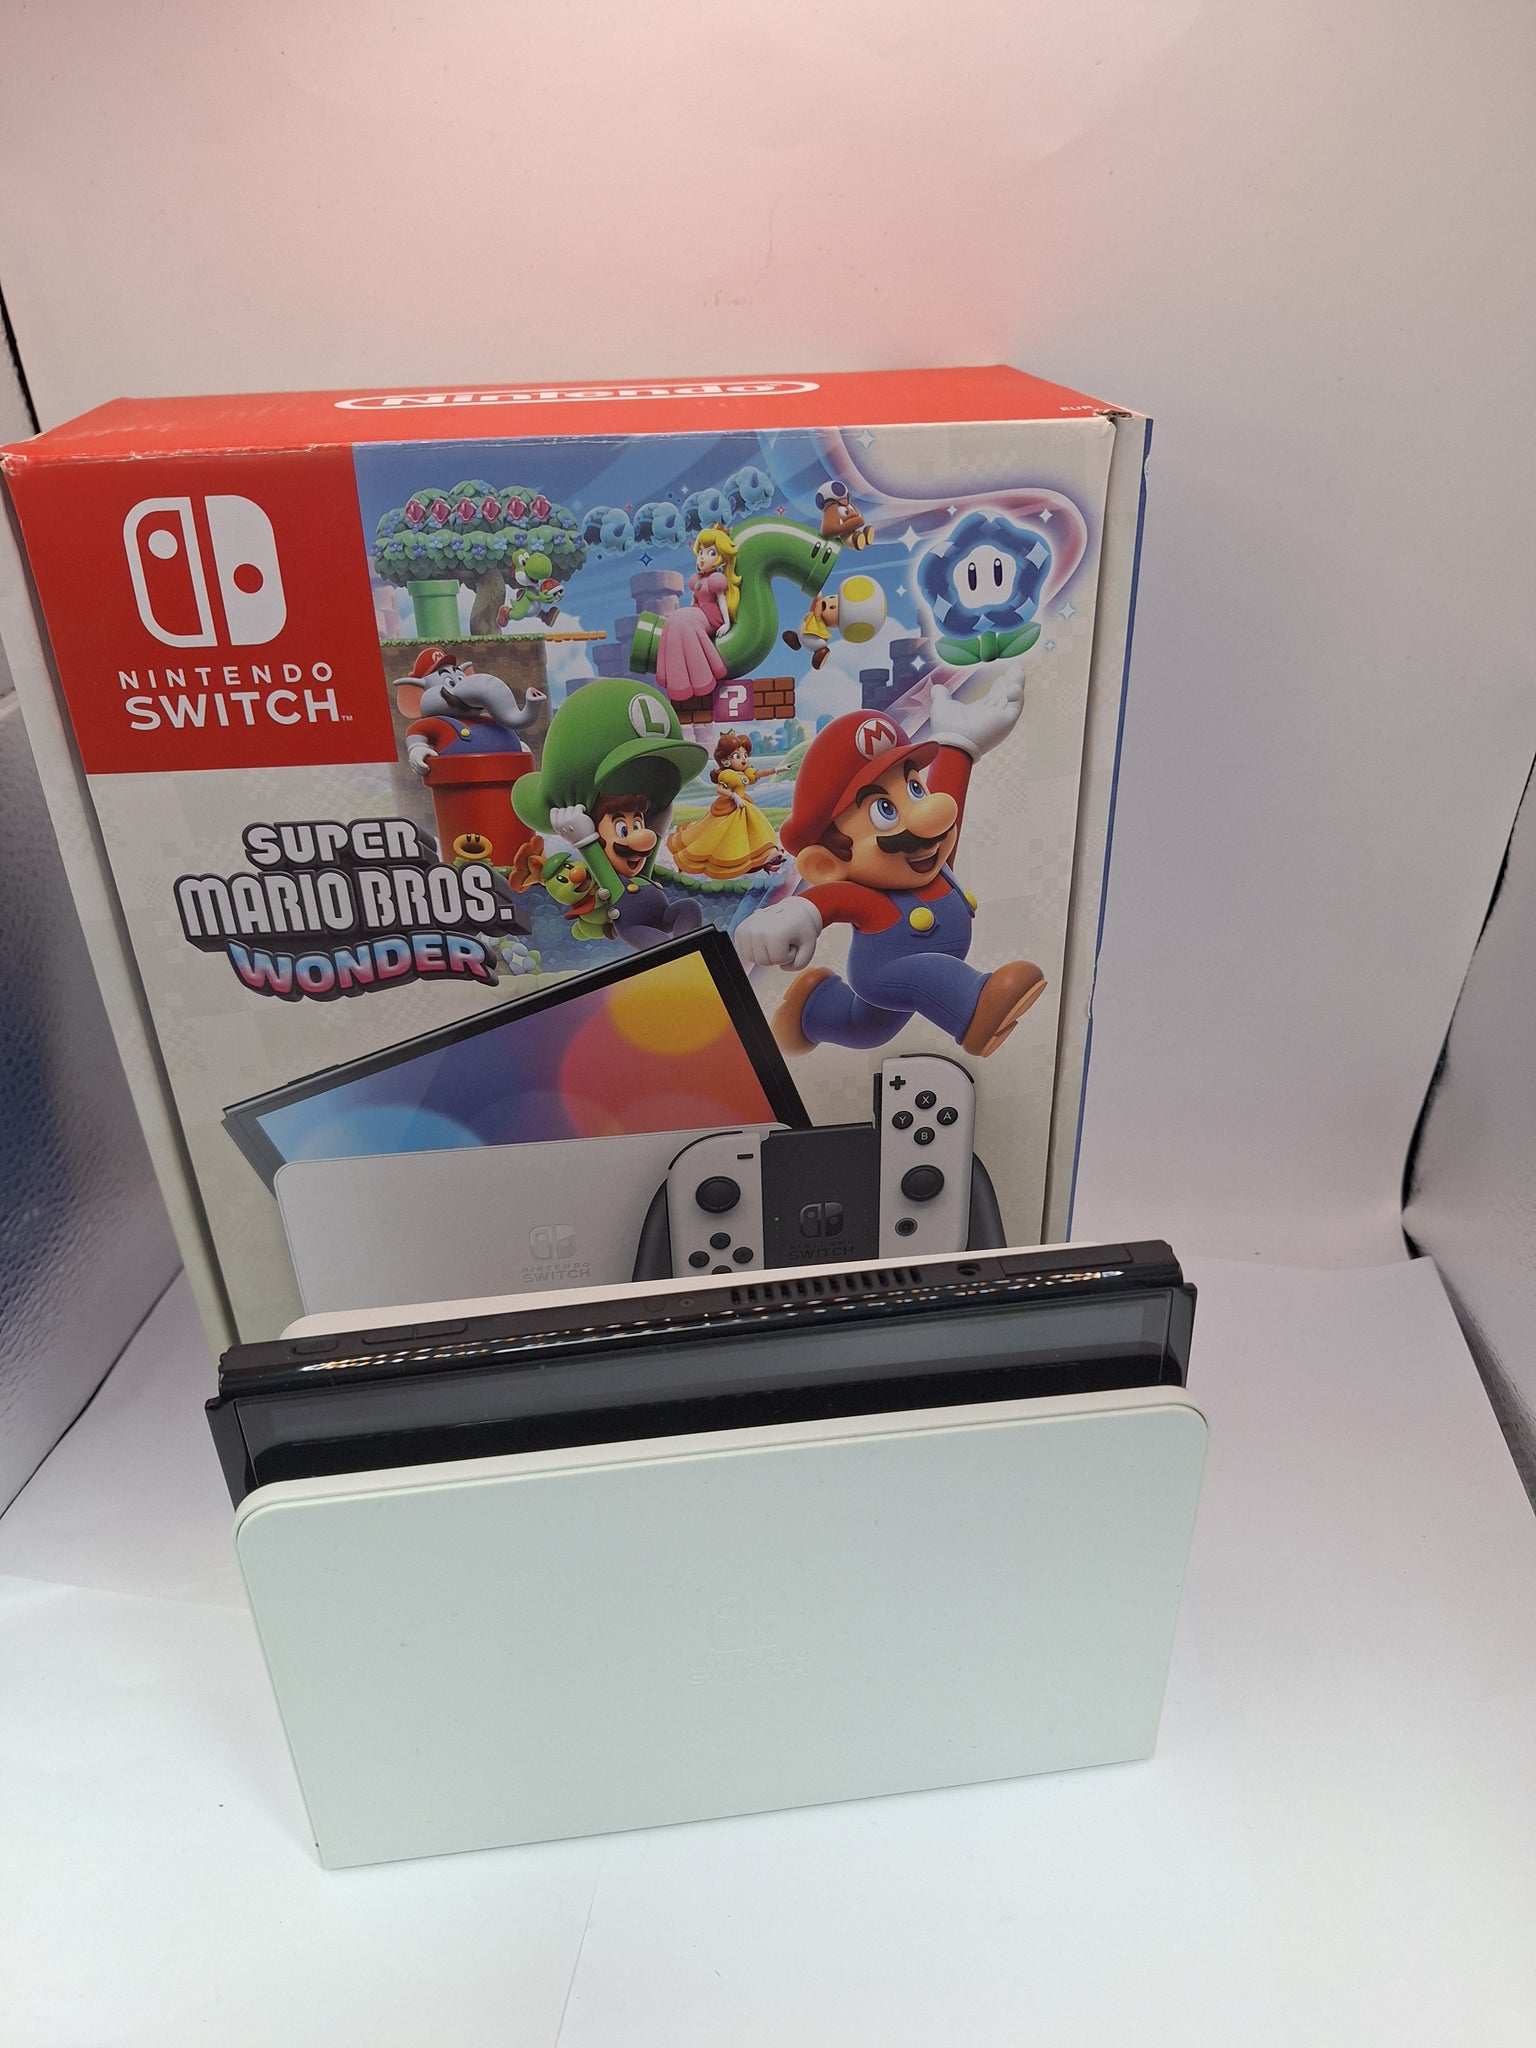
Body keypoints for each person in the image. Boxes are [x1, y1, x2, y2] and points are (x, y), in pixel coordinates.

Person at [667, 730, 784, 880]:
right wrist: (734, 796)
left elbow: (758, 774)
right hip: (731, 806)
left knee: (754, 831)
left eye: (745, 755)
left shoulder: (745, 773)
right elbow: (720, 789)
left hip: (744, 805)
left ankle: (764, 860)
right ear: (724, 761)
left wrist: (776, 770)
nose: (743, 760)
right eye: (736, 756)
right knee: (722, 835)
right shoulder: (727, 775)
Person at [655, 525, 741, 705]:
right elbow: (693, 600)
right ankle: (678, 683)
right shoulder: (697, 579)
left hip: (711, 616)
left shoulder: (716, 580)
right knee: (675, 619)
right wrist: (687, 612)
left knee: (685, 624)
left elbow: (721, 600)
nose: (702, 557)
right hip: (697, 611)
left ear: (721, 559)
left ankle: (702, 680)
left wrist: (726, 623)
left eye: (711, 553)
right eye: (701, 551)